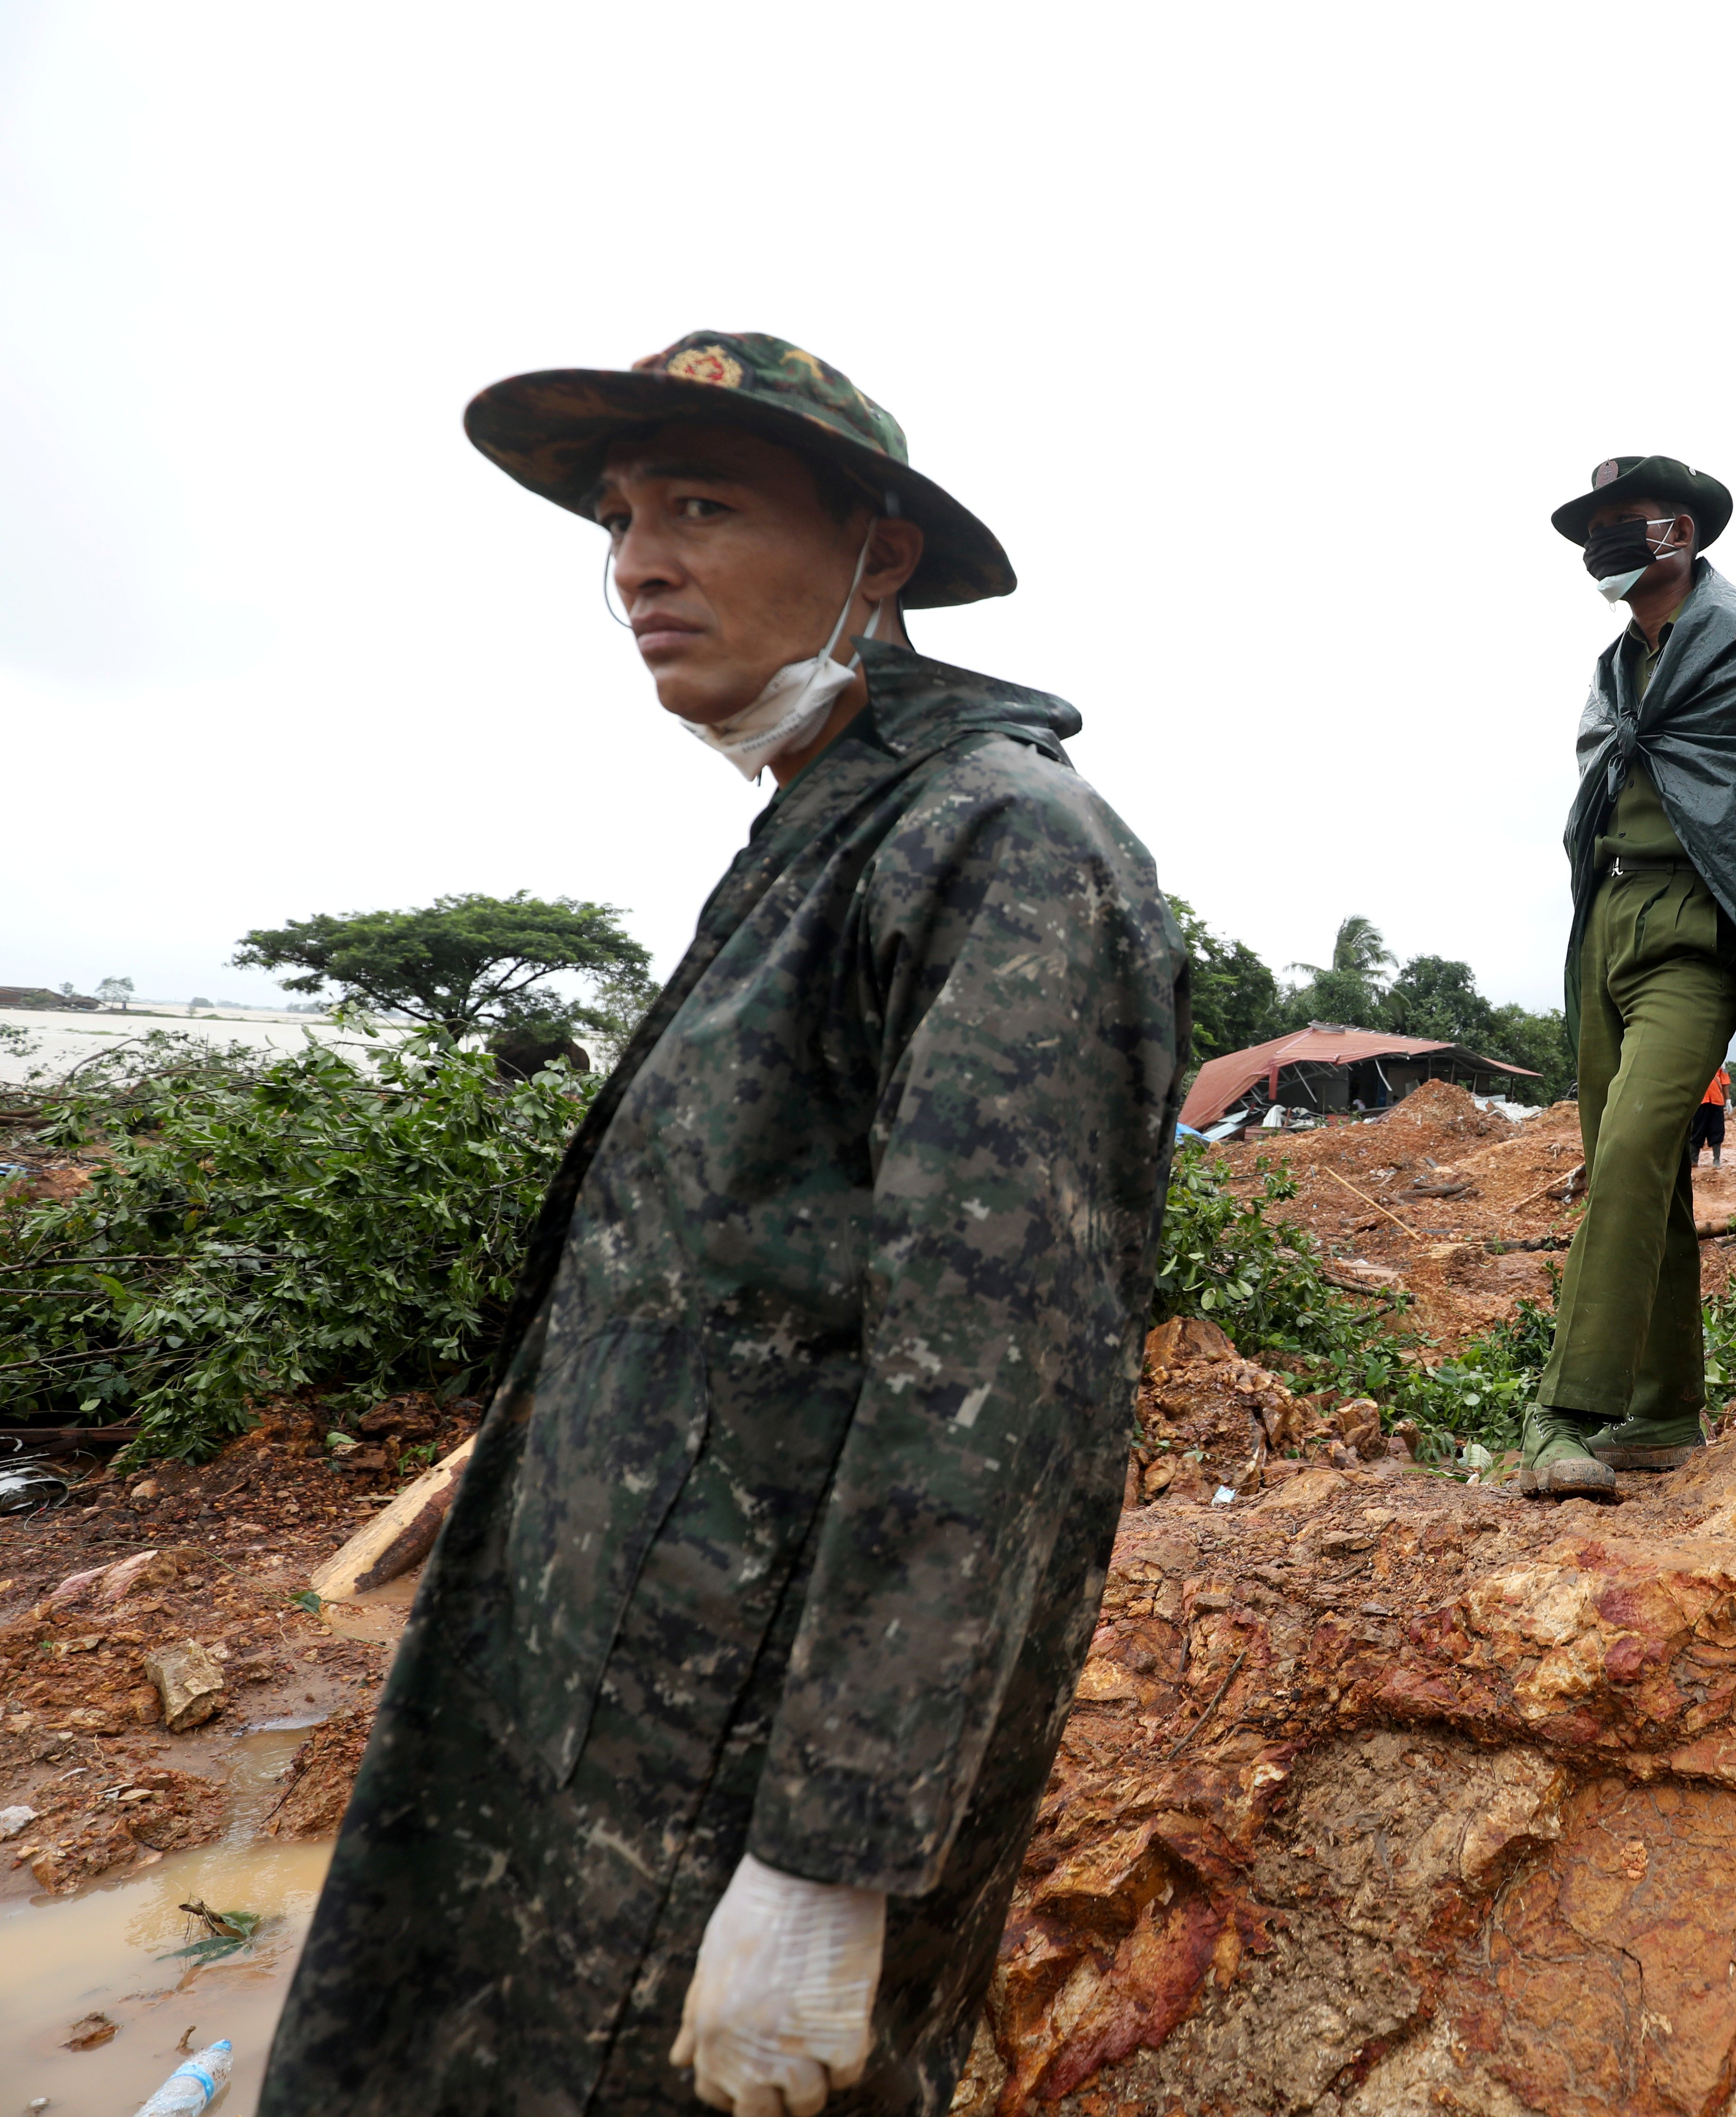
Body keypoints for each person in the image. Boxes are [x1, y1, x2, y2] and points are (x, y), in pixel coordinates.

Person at [260, 333, 1186, 2117]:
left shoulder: (999, 846)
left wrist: (831, 1855)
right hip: (612, 1708)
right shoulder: (817, 830)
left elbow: (993, 1402)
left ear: (879, 552)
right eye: (617, 518)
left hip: (735, 1770)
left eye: (700, 504)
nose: (635, 564)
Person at [1536, 456, 1736, 1492]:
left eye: (1625, 523)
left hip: (1695, 920)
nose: (1605, 546)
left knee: (1628, 1151)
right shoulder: (1612, 669)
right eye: (1595, 529)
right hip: (1608, 922)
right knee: (1643, 1169)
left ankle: (1567, 1412)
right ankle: (1662, 1409)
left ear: (1678, 531)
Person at [1693, 1064, 1732, 1166]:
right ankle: (1694, 1159)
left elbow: (1725, 1082)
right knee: (1697, 1130)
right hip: (1700, 1102)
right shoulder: (1697, 1061)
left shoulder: (1721, 1063)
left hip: (1717, 1102)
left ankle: (1717, 1160)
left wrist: (1728, 1100)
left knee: (1717, 1131)